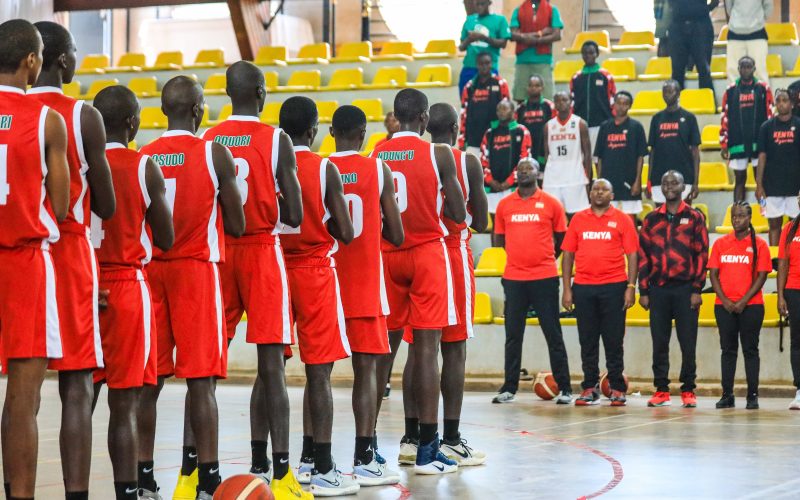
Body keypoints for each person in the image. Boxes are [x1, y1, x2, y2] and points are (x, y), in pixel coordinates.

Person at [201, 61, 310, 499]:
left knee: (203, 368)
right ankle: (280, 475)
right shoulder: (276, 138)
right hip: (262, 251)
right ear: (262, 93)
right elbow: (297, 215)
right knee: (272, 366)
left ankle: (198, 473)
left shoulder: (207, 138)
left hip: (219, 253)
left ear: (228, 93)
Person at [138, 76, 245, 500]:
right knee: (202, 382)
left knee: (149, 382)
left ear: (164, 111)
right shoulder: (213, 152)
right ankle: (208, 479)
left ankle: (143, 479)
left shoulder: (144, 155)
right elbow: (236, 225)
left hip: (151, 275)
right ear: (199, 110)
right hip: (197, 272)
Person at [29, 20, 116, 500]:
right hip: (66, 249)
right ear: (61, 61)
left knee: (23, 387)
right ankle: (76, 495)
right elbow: (105, 205)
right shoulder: (83, 115)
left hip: (16, 248)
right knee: (76, 384)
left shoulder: (10, 111)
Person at [372, 88, 466, 475]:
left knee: (382, 353)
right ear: (424, 119)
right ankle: (428, 448)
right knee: (427, 350)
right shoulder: (439, 153)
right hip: (427, 253)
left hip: (386, 255)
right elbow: (459, 214)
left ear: (396, 117)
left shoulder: (375, 154)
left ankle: (367, 447)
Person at [90, 85, 174, 500]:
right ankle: (130, 491)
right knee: (123, 406)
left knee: (78, 399)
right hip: (125, 285)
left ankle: (76, 490)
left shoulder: (78, 162)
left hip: (83, 285)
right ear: (130, 122)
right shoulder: (144, 166)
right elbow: (167, 237)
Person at [0, 18, 70, 500]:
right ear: (32, 61)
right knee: (23, 400)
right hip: (25, 264)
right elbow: (61, 207)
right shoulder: (47, 119)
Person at [398, 103, 488, 465]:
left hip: (406, 249)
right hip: (447, 251)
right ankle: (448, 437)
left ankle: (410, 437)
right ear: (456, 126)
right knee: (453, 350)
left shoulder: (401, 155)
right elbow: (479, 222)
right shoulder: (464, 160)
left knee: (416, 350)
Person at [279, 96, 359, 496]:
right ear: (313, 131)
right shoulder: (324, 166)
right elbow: (345, 232)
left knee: (270, 372)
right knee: (319, 370)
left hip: (275, 269)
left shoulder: (269, 163)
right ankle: (320, 464)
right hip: (313, 271)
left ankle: (267, 464)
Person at [327, 104, 404, 485]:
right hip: (364, 283)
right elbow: (398, 233)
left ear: (329, 132)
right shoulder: (377, 168)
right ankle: (364, 455)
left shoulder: (320, 168)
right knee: (367, 371)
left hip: (325, 282)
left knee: (317, 375)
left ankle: (312, 458)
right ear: (362, 134)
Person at [492, 159, 571, 405]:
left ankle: (566, 388)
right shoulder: (504, 205)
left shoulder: (551, 203)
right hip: (514, 278)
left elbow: (562, 240)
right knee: (513, 335)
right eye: (520, 168)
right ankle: (509, 388)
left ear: (538, 173)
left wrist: (542, 258)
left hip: (545, 277)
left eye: (529, 168)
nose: (524, 171)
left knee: (553, 333)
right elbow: (500, 241)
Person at [562, 179, 639, 407]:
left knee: (614, 340)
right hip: (584, 287)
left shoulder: (622, 220)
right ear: (590, 192)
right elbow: (568, 255)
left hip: (614, 287)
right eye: (595, 188)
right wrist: (567, 288)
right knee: (587, 340)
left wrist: (631, 287)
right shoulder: (578, 219)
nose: (599, 192)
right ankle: (589, 387)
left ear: (612, 194)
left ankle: (616, 387)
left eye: (604, 189)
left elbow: (633, 255)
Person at [638, 170, 709, 408]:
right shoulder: (651, 219)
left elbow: (701, 254)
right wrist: (644, 291)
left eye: (674, 182)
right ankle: (661, 390)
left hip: (686, 289)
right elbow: (643, 257)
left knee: (688, 342)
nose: (669, 186)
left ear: (683, 187)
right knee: (660, 342)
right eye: (665, 182)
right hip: (658, 290)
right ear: (661, 188)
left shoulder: (695, 217)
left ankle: (688, 390)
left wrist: (697, 288)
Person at [709, 201, 770, 410]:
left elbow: (762, 276)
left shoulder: (760, 244)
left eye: (741, 216)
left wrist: (743, 301)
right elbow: (713, 274)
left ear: (750, 218)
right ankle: (727, 394)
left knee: (750, 350)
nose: (737, 220)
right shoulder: (720, 244)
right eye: (734, 216)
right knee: (728, 350)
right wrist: (726, 300)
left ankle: (752, 395)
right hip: (724, 306)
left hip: (751, 306)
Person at [721, 56, 773, 203]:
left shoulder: (763, 88)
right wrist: (724, 143)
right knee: (739, 180)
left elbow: (770, 115)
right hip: (738, 142)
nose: (745, 70)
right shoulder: (731, 90)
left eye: (748, 67)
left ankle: (764, 212)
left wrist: (770, 142)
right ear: (738, 69)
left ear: (754, 69)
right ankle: (738, 211)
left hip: (759, 142)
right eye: (742, 67)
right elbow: (725, 117)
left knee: (761, 179)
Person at [755, 89, 800, 246]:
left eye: (785, 100)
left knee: (795, 225)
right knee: (774, 225)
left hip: (795, 185)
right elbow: (762, 156)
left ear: (792, 104)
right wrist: (759, 184)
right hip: (772, 184)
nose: (781, 103)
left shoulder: (799, 125)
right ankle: (775, 260)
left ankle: (793, 258)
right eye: (778, 100)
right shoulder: (766, 127)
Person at [595, 91, 647, 223]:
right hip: (609, 182)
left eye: (625, 104)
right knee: (608, 221)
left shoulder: (636, 127)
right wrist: (600, 181)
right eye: (618, 103)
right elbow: (599, 157)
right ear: (614, 104)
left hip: (628, 183)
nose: (621, 107)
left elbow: (640, 157)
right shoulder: (604, 127)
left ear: (630, 106)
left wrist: (637, 181)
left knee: (629, 222)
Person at [647, 80, 701, 205]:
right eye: (664, 92)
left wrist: (696, 182)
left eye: (670, 91)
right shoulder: (656, 119)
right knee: (660, 220)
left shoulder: (689, 118)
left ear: (678, 94)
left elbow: (695, 152)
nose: (667, 95)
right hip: (659, 178)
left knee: (683, 220)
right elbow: (652, 152)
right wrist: (649, 181)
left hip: (684, 176)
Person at [543, 91, 592, 217]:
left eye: (564, 100)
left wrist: (588, 178)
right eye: (558, 100)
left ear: (571, 102)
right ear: (554, 104)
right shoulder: (548, 126)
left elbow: (587, 153)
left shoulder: (580, 123)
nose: (561, 103)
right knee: (552, 216)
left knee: (577, 216)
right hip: (553, 178)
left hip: (574, 176)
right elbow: (546, 153)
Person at [481, 99, 532, 217]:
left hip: (513, 187)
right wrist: (490, 181)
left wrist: (508, 182)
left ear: (513, 111)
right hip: (493, 187)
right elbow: (483, 160)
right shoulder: (489, 133)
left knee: (514, 222)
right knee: (496, 225)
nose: (501, 112)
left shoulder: (522, 131)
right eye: (499, 109)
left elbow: (524, 160)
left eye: (504, 109)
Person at [458, 52, 511, 156]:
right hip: (474, 137)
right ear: (477, 65)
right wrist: (462, 140)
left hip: (496, 137)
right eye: (481, 63)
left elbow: (508, 111)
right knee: (473, 170)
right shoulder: (469, 86)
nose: (484, 66)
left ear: (492, 64)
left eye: (487, 63)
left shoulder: (500, 83)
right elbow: (464, 114)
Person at [510, 0, 563, 102]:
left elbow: (557, 35)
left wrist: (532, 39)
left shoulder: (552, 10)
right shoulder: (518, 10)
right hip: (523, 61)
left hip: (543, 61)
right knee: (520, 98)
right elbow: (512, 34)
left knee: (547, 99)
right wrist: (541, 33)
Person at [570, 40, 616, 153]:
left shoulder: (606, 76)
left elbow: (612, 100)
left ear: (597, 54)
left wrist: (611, 121)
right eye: (585, 53)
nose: (588, 56)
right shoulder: (576, 77)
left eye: (591, 52)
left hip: (601, 125)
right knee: (584, 159)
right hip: (581, 125)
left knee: (599, 159)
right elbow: (572, 102)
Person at [458, 0, 510, 96]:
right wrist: (470, 39)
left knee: (491, 100)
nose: (479, 7)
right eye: (477, 4)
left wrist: (483, 37)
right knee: (466, 99)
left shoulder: (500, 20)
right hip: (469, 66)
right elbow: (461, 47)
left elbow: (503, 43)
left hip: (490, 68)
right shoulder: (469, 20)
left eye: (482, 3)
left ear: (489, 3)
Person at [777, 195, 800, 409]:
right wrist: (781, 295)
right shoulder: (790, 228)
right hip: (794, 290)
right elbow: (782, 264)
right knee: (797, 342)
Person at [669, 0, 719, 94]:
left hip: (700, 24)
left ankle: (707, 105)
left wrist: (705, 9)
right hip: (677, 24)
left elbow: (715, 1)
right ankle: (676, 107)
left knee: (703, 68)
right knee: (677, 71)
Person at [725, 0, 772, 85]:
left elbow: (768, 7)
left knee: (759, 71)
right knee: (733, 72)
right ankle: (734, 97)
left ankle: (762, 97)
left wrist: (758, 21)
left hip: (758, 33)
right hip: (735, 34)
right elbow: (729, 7)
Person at [516, 75, 555, 168]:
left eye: (537, 85)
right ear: (527, 88)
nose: (533, 88)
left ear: (542, 88)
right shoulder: (520, 108)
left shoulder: (549, 106)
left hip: (543, 148)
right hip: (526, 150)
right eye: (531, 85)